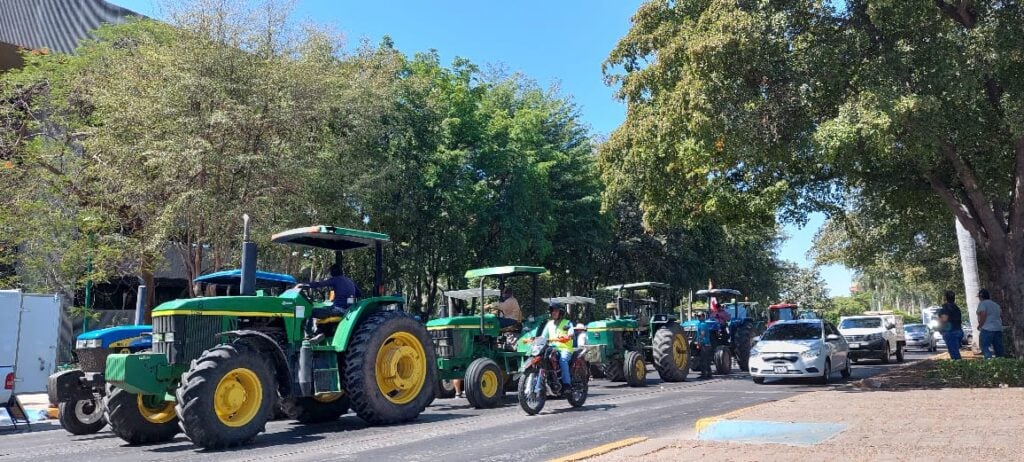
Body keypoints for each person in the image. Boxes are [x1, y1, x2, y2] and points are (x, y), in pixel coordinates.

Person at [297, 264, 361, 341]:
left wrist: (303, 285)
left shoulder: (336, 279)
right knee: (325, 309)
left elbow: (319, 284)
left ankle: (308, 336)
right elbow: (359, 293)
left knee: (309, 311)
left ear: (333, 273)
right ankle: (320, 333)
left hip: (338, 309)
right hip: (349, 311)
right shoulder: (350, 281)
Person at [537, 304, 573, 394]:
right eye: (552, 311)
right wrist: (534, 339)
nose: (554, 312)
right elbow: (543, 336)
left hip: (565, 349)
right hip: (552, 349)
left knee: (563, 360)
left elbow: (571, 330)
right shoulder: (549, 324)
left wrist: (570, 334)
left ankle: (566, 384)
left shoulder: (567, 322)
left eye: (556, 311)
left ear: (561, 312)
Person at [976, 288, 1005, 359]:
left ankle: (989, 363)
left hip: (987, 329)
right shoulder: (996, 305)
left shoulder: (982, 303)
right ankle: (1001, 364)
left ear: (981, 296)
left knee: (985, 347)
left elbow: (983, 314)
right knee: (999, 349)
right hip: (998, 329)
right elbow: (1001, 314)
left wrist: (980, 325)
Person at [938, 291, 964, 360]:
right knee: (955, 351)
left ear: (945, 298)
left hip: (950, 332)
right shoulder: (956, 308)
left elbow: (944, 319)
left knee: (954, 354)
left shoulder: (946, 308)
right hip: (958, 331)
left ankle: (959, 369)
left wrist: (938, 320)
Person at [696, 312, 714, 379]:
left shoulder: (703, 324)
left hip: (705, 344)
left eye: (699, 316)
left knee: (703, 360)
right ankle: (709, 374)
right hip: (704, 344)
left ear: (703, 317)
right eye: (698, 316)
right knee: (706, 360)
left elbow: (702, 334)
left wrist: (699, 343)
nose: (698, 317)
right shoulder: (700, 324)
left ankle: (704, 374)